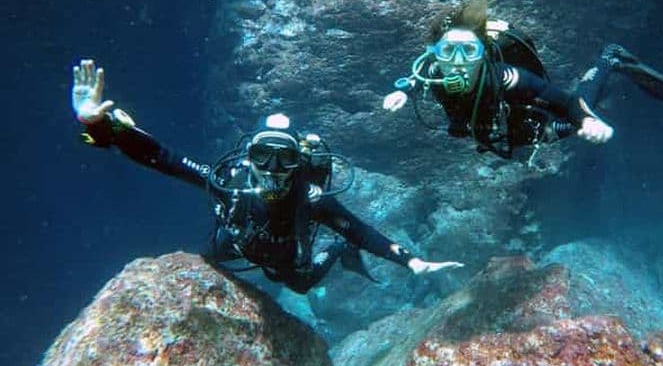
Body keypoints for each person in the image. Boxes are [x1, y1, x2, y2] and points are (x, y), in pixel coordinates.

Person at [72, 59, 463, 294]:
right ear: (249, 156)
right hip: (238, 247)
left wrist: (413, 263)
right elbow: (164, 158)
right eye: (264, 156)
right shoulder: (233, 184)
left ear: (299, 162)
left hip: (288, 261)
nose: (274, 170)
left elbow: (359, 231)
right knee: (210, 257)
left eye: (285, 159)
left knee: (299, 284)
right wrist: (102, 126)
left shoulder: (310, 198)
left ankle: (337, 255)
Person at [383, 0, 663, 163]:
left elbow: (566, 102)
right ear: (434, 52)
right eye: (447, 51)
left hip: (531, 124)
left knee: (573, 119)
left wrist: (588, 122)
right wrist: (403, 92)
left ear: (482, 51)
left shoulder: (506, 77)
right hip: (494, 132)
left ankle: (609, 60)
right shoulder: (431, 70)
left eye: (467, 51)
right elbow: (417, 80)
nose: (457, 62)